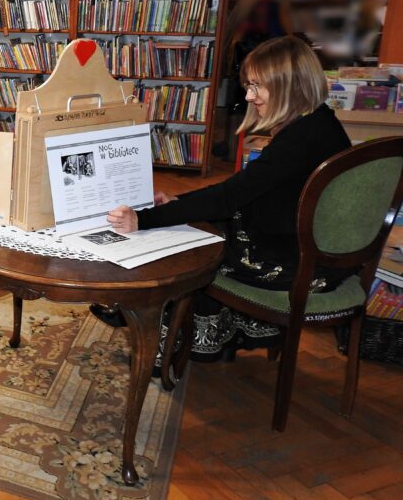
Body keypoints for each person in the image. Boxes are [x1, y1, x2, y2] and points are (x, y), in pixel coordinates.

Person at [105, 36, 352, 362]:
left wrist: (144, 218)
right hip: (314, 247)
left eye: (256, 87)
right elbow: (247, 188)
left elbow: (230, 196)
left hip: (299, 262)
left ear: (288, 84)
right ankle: (192, 327)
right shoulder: (319, 122)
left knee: (191, 250)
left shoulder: (300, 139)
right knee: (200, 220)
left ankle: (166, 339)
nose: (249, 97)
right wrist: (179, 200)